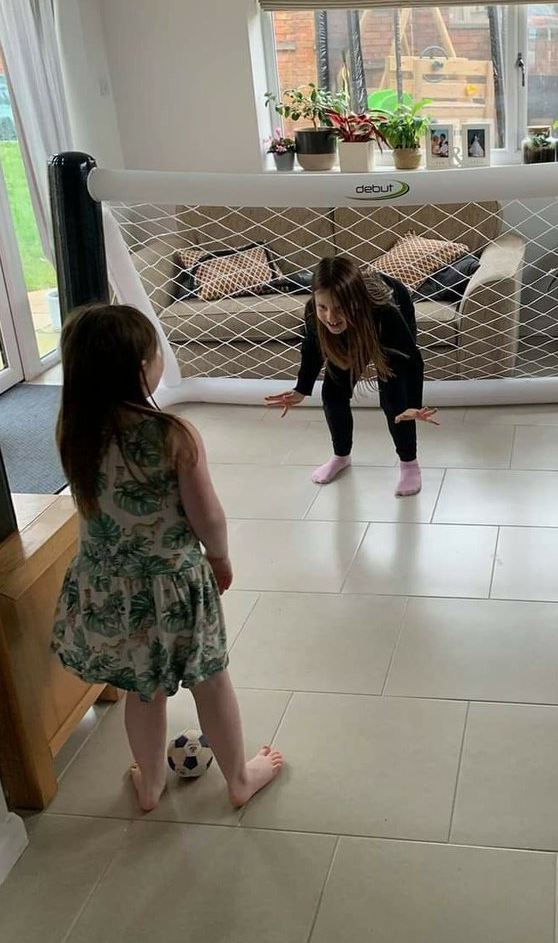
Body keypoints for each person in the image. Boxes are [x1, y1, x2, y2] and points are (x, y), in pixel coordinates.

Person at [51, 304, 283, 813]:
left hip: (111, 589)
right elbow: (208, 515)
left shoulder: (74, 431)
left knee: (142, 688)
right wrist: (220, 558)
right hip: (174, 585)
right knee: (211, 680)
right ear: (141, 369)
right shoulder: (173, 434)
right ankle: (239, 779)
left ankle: (151, 783)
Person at [265, 256, 438, 496]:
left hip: (381, 324)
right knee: (332, 394)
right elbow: (312, 348)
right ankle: (341, 456)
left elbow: (411, 359)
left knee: (394, 401)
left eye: (339, 308)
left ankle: (409, 464)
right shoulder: (315, 313)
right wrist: (301, 389)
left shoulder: (385, 312)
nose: (330, 317)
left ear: (355, 301)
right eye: (323, 307)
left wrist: (413, 405)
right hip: (350, 333)